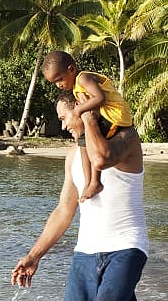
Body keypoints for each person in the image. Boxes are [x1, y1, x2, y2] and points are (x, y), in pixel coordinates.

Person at [11, 95, 159, 301]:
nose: (63, 124)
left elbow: (102, 157)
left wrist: (88, 118)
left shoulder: (125, 139)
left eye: (66, 116)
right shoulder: (71, 157)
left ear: (85, 109)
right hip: (86, 250)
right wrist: (34, 255)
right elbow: (64, 210)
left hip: (127, 243)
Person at [42, 50, 133, 202]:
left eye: (60, 79)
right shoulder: (76, 86)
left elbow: (100, 97)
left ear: (71, 69)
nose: (59, 85)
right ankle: (89, 181)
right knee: (83, 142)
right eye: (55, 83)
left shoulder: (83, 78)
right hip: (106, 115)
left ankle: (95, 182)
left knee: (92, 144)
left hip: (114, 116)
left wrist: (79, 109)